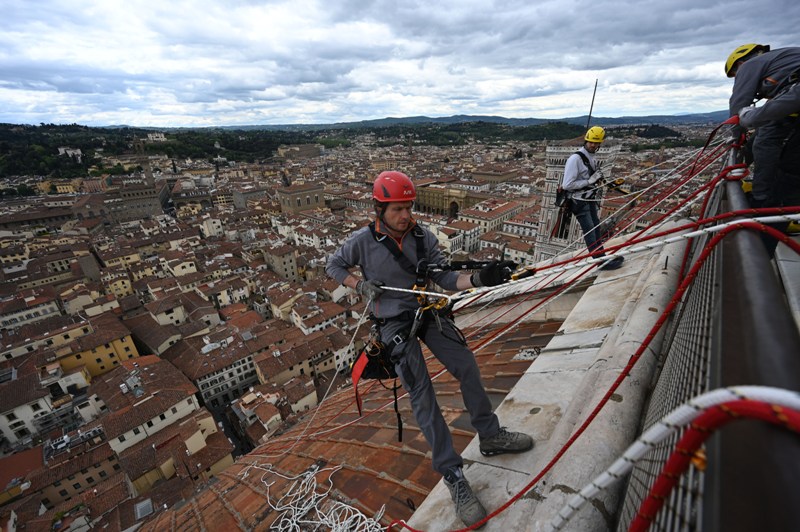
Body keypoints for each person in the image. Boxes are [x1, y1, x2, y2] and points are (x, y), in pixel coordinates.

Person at [326, 171, 533, 528]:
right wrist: (359, 284)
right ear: (379, 209)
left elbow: (447, 278)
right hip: (393, 323)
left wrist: (482, 279)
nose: (406, 215)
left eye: (408, 207)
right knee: (423, 397)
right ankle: (452, 475)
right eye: (397, 209)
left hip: (427, 312)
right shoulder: (362, 241)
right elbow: (333, 265)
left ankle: (490, 434)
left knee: (466, 365)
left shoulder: (423, 238)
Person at [726, 43, 800, 208]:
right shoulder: (783, 63)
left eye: (735, 75)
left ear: (739, 64)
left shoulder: (749, 66)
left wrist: (736, 135)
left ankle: (762, 199)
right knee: (770, 142)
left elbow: (739, 102)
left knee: (768, 144)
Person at [561, 126, 625, 270]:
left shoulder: (592, 157)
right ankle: (599, 262)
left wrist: (599, 180)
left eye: (597, 143)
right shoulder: (575, 159)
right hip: (578, 201)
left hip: (589, 199)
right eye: (591, 142)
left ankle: (603, 256)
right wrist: (589, 182)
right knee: (589, 230)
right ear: (586, 140)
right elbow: (567, 185)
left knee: (596, 228)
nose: (594, 145)